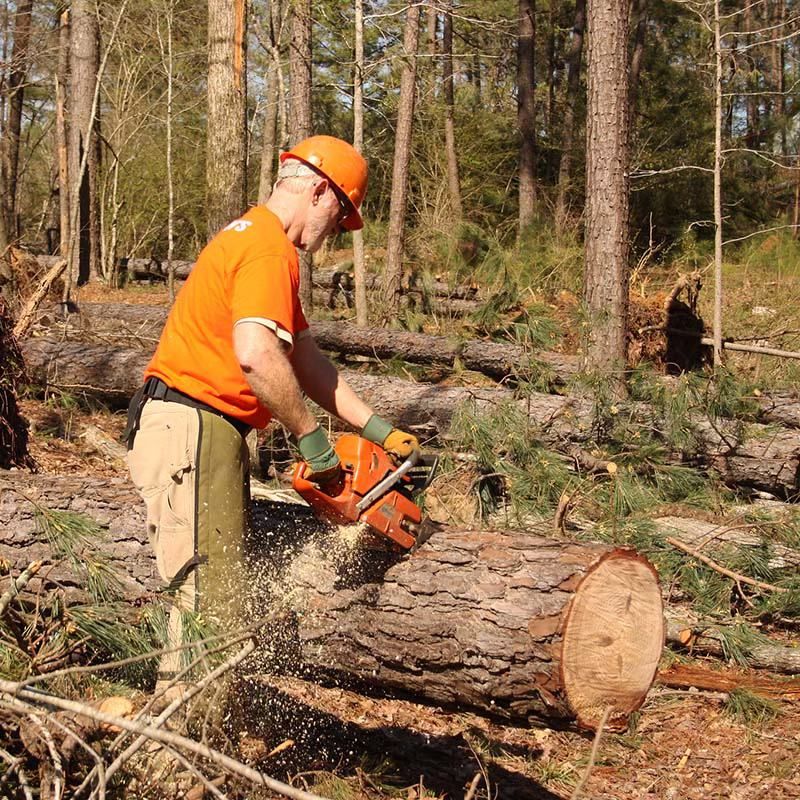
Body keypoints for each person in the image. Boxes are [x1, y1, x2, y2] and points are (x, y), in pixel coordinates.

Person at [124, 135, 419, 686]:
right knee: (210, 618)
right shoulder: (268, 249)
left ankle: (186, 753)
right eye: (341, 216)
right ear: (320, 191)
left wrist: (380, 429)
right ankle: (177, 767)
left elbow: (302, 356)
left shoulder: (252, 238)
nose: (334, 232)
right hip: (197, 426)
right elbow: (257, 355)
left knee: (207, 603)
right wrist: (315, 444)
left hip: (190, 427)